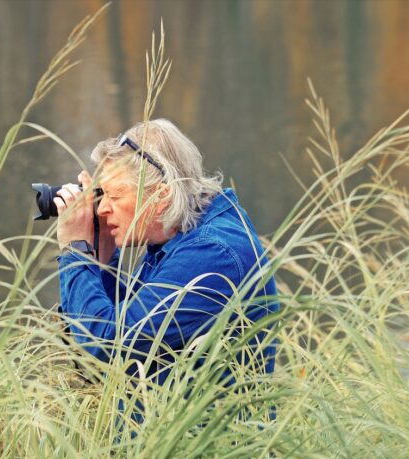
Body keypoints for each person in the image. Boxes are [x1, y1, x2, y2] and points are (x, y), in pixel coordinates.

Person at [54, 119, 279, 388]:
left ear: (161, 197)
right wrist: (100, 261)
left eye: (114, 196)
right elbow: (102, 362)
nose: (102, 209)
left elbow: (110, 348)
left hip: (206, 430)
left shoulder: (212, 255)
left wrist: (76, 251)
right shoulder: (174, 238)